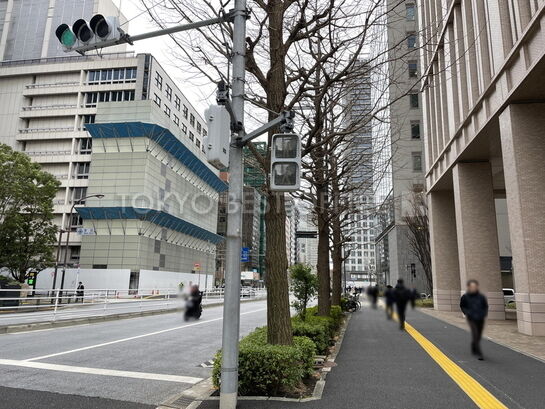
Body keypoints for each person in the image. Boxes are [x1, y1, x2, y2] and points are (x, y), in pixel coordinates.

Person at [460, 279, 488, 360]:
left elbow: (485, 306)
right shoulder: (465, 297)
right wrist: (466, 313)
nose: (473, 288)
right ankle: (479, 353)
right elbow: (462, 306)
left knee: (478, 334)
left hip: (480, 318)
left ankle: (473, 345)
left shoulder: (481, 297)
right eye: (472, 286)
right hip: (471, 318)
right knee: (475, 333)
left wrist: (484, 313)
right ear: (468, 287)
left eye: (475, 286)